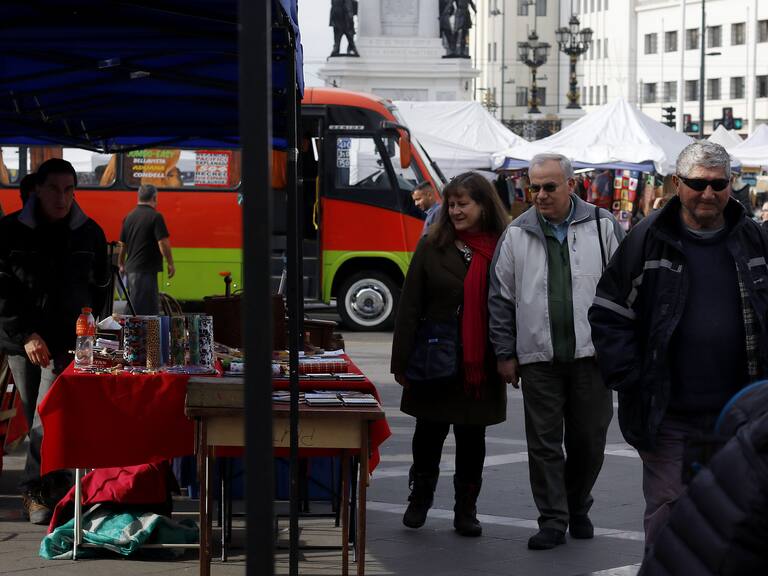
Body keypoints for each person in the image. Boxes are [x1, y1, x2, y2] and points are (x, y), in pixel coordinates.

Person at [588, 140, 768, 551]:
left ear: (731, 184)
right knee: (670, 507)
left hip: (740, 412)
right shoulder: (646, 239)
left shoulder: (753, 239)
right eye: (697, 183)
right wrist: (631, 377)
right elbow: (608, 312)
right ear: (675, 183)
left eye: (718, 184)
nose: (708, 193)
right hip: (667, 412)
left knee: (737, 513)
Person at [488, 153, 625, 550]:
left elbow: (626, 288)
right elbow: (500, 297)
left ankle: (577, 503)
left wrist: (618, 347)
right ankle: (552, 518)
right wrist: (504, 352)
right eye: (535, 187)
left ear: (571, 185)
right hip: (538, 358)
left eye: (550, 186)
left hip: (592, 357)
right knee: (544, 443)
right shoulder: (516, 233)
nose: (541, 195)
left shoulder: (603, 226)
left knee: (589, 442)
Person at [391, 172, 509, 537]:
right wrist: (401, 360)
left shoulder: (502, 246)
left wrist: (510, 353)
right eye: (452, 204)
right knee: (427, 433)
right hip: (434, 357)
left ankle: (466, 509)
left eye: (463, 204)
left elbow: (512, 304)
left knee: (473, 439)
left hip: (480, 362)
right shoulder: (432, 245)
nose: (455, 211)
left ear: (483, 205)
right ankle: (420, 499)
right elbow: (410, 305)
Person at [0, 158, 108, 524]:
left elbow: (100, 286)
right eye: (54, 189)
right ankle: (53, 484)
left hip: (66, 340)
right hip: (22, 341)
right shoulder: (9, 231)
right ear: (37, 190)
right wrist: (25, 334)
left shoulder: (89, 232)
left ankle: (37, 490)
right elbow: (2, 293)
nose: (62, 198)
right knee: (36, 416)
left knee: (47, 415)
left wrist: (91, 331)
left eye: (69, 189)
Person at [119, 184, 175, 315]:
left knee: (136, 305)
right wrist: (170, 263)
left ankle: (134, 332)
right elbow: (163, 243)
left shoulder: (129, 217)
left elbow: (122, 244)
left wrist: (121, 263)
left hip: (131, 269)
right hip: (145, 270)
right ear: (154, 198)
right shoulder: (155, 217)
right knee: (144, 309)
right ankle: (135, 333)